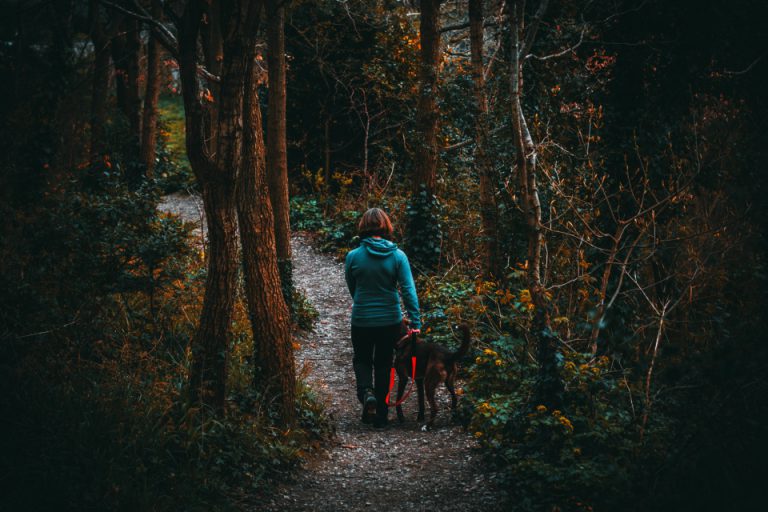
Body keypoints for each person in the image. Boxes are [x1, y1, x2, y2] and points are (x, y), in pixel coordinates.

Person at [344, 208, 421, 428]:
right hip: (390, 320)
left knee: (362, 359)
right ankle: (381, 416)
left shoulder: (353, 256)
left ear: (363, 227)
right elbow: (408, 290)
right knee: (384, 363)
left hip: (362, 320)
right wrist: (415, 323)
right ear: (386, 227)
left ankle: (367, 393)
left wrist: (362, 303)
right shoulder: (398, 256)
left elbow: (353, 287)